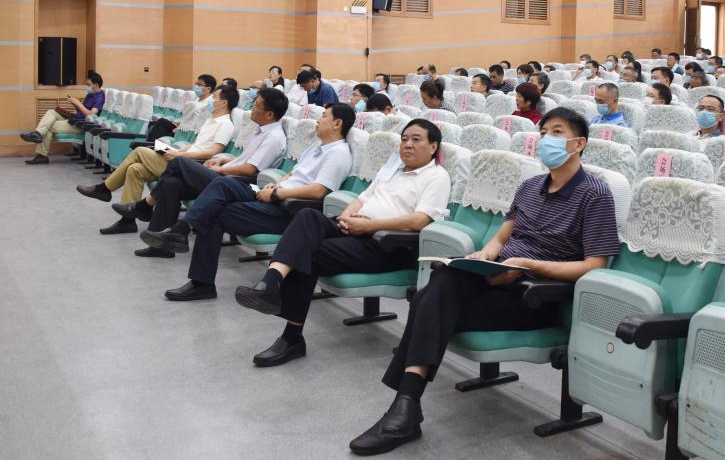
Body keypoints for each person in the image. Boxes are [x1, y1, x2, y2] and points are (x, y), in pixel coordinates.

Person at [346, 107, 618, 455]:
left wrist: (527, 265)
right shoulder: (530, 186)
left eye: (556, 132)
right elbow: (503, 237)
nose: (545, 140)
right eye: (543, 132)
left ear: (578, 144)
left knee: (428, 301)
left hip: (535, 296)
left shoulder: (595, 194)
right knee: (443, 282)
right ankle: (405, 407)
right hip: (496, 277)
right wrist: (484, 255)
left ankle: (404, 408)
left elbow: (594, 265)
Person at [233, 119, 451, 367]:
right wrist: (347, 216)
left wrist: (367, 226)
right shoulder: (392, 168)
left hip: (388, 245)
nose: (407, 144)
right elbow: (363, 198)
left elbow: (419, 221)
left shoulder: (437, 177)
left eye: (416, 139)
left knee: (310, 252)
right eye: (404, 139)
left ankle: (291, 337)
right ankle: (270, 282)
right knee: (308, 216)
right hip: (358, 228)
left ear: (433, 147)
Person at [150, 103, 356, 300]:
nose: (318, 121)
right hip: (273, 196)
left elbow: (319, 191)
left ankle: (185, 241)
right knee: (218, 195)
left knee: (214, 198)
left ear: (337, 124)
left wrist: (277, 194)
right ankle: (196, 270)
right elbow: (294, 174)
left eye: (324, 116)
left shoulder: (338, 153)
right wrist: (276, 185)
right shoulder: (316, 147)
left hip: (290, 211)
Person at [128, 88, 290, 257]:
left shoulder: (273, 137)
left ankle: (146, 205)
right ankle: (161, 247)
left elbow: (250, 169)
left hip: (236, 184)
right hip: (227, 176)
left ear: (269, 114)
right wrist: (224, 160)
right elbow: (246, 159)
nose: (252, 109)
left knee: (179, 161)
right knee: (171, 184)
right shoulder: (261, 130)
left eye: (256, 106)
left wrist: (221, 169)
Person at [76, 84, 239, 235]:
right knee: (135, 169)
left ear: (223, 103)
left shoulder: (225, 124)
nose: (210, 99)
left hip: (189, 167)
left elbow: (212, 152)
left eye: (214, 97)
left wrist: (179, 156)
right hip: (180, 158)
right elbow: (195, 145)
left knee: (139, 151)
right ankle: (127, 222)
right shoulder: (210, 120)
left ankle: (105, 189)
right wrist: (176, 151)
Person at [22, 70, 106, 165]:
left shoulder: (100, 97)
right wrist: (75, 105)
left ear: (96, 84)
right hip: (75, 119)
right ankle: (38, 135)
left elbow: (91, 115)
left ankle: (41, 153)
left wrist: (78, 103)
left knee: (47, 127)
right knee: (51, 112)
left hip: (81, 125)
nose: (87, 87)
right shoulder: (90, 95)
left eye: (88, 85)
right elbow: (83, 111)